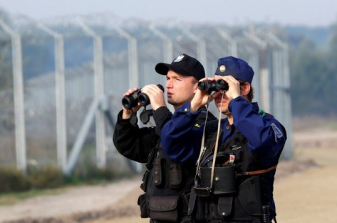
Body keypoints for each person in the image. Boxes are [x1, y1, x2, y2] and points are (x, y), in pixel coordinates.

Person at [161, 56, 287, 223]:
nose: (220, 94)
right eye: (217, 87)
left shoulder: (268, 126)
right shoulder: (212, 131)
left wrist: (237, 101)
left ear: (245, 88)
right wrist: (193, 107)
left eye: (225, 87)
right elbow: (172, 144)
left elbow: (262, 142)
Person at [113, 54, 216, 223]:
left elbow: (174, 139)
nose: (169, 84)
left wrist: (160, 108)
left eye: (177, 79)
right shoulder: (167, 125)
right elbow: (129, 145)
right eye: (167, 78)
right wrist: (128, 114)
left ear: (197, 87)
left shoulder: (205, 124)